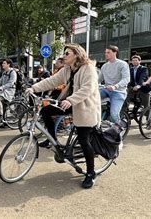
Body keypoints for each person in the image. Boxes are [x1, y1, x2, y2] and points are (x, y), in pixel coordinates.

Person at [26, 44, 101, 189]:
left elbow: (87, 89)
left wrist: (70, 100)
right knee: (46, 111)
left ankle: (91, 174)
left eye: (67, 53)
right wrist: (33, 88)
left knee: (84, 141)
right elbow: (52, 81)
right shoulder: (67, 69)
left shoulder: (88, 68)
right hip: (70, 103)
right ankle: (53, 141)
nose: (64, 56)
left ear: (76, 55)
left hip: (85, 107)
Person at [98, 45, 130, 123]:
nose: (106, 54)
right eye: (105, 52)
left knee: (114, 115)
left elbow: (126, 79)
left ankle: (118, 133)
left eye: (108, 52)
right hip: (106, 90)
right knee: (91, 97)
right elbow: (99, 79)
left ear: (115, 53)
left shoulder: (122, 64)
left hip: (118, 91)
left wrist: (115, 86)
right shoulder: (104, 66)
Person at [0, 59, 17, 128]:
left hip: (10, 91)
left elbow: (11, 83)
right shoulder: (4, 72)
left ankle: (1, 116)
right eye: (3, 63)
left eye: (4, 63)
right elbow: (0, 82)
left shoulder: (12, 72)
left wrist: (2, 87)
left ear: (8, 64)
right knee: (3, 106)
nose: (2, 64)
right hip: (5, 90)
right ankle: (4, 122)